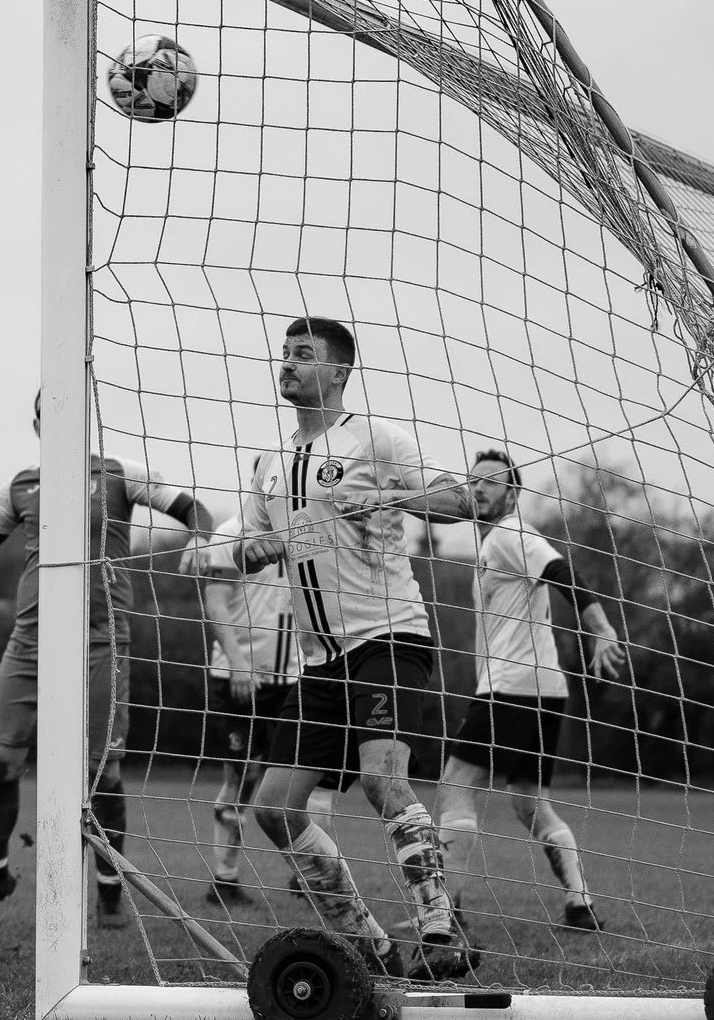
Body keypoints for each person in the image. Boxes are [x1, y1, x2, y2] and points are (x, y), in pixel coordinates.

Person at [0, 393, 210, 926]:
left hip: (101, 640)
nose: (56, 422)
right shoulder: (21, 485)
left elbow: (189, 507)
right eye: (46, 414)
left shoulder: (121, 474)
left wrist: (200, 538)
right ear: (36, 423)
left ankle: (108, 889)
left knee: (104, 771)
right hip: (30, 640)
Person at [235, 316, 476, 981]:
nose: (286, 364)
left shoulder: (378, 439)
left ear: (338, 372)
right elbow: (271, 545)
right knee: (274, 809)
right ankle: (373, 945)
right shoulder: (267, 465)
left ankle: (439, 928)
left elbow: (462, 502)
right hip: (318, 665)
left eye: (303, 355)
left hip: (388, 637)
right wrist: (252, 551)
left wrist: (389, 495)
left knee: (382, 779)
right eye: (283, 354)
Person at [439, 448, 629, 934]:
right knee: (528, 803)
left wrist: (601, 626)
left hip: (512, 687)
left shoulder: (511, 534)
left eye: (491, 482)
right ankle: (579, 904)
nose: (479, 488)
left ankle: (445, 913)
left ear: (513, 493)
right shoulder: (491, 545)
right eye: (474, 481)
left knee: (456, 784)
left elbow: (562, 571)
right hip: (545, 689)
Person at [185, 516, 311, 906]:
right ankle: (224, 881)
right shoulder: (232, 533)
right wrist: (238, 663)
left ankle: (309, 877)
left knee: (307, 777)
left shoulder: (310, 528)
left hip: (296, 677)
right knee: (243, 776)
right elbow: (216, 601)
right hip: (238, 674)